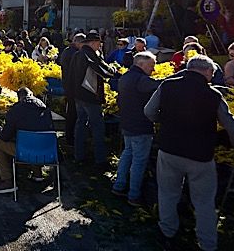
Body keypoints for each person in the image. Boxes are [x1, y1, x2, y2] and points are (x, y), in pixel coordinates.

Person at [144, 55, 234, 251]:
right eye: (212, 73)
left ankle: (168, 233)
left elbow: (149, 111)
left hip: (169, 149)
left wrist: (163, 120)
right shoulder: (213, 95)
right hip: (200, 155)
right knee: (204, 202)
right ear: (207, 71)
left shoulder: (167, 86)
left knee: (167, 193)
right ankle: (207, 243)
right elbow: (232, 126)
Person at [112, 51, 161, 205]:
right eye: (151, 66)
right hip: (141, 125)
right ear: (140, 64)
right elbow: (161, 86)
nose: (153, 70)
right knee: (139, 161)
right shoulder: (141, 80)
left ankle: (119, 186)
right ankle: (134, 195)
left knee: (127, 154)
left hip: (127, 123)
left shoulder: (125, 77)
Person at [0, 87, 54, 194]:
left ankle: (7, 181)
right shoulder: (45, 109)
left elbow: (5, 136)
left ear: (19, 98)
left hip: (25, 152)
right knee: (35, 138)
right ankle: (38, 174)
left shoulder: (16, 110)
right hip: (47, 152)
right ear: (32, 95)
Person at [68, 33, 116, 167]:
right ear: (93, 43)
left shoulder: (77, 54)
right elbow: (103, 70)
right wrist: (114, 70)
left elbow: (70, 75)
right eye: (99, 43)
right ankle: (100, 159)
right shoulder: (89, 54)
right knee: (97, 127)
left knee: (81, 125)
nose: (100, 45)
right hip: (90, 96)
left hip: (79, 96)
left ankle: (79, 155)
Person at [59, 32, 87, 146]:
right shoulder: (74, 53)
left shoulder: (67, 51)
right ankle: (71, 137)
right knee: (73, 112)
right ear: (79, 42)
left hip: (68, 85)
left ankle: (69, 136)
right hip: (73, 86)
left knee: (71, 111)